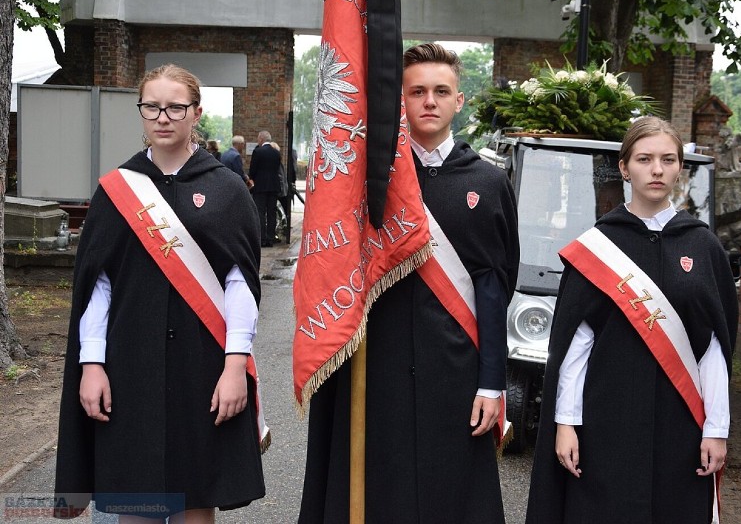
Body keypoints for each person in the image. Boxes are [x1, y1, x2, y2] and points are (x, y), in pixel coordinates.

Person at [298, 43, 519, 523]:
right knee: (378, 494)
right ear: (399, 100)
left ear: (460, 101)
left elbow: (494, 287)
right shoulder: (364, 180)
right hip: (374, 367)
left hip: (456, 371)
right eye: (416, 91)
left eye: (442, 91)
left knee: (452, 498)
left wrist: (491, 382)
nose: (429, 101)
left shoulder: (489, 180)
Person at [54, 64, 266, 522]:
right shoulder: (116, 191)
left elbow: (239, 284)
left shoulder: (227, 190)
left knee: (195, 500)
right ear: (142, 112)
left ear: (196, 113)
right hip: (130, 368)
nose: (163, 116)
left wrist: (234, 367)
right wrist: (92, 365)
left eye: (175, 106)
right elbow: (98, 287)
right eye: (152, 106)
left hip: (203, 367)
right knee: (136, 500)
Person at [526, 116, 738, 524]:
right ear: (625, 168)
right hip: (607, 419)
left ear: (680, 167)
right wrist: (566, 423)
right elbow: (576, 345)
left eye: (668, 159)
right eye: (644, 159)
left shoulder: (703, 245)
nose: (657, 170)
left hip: (682, 421)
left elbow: (714, 346)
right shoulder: (599, 245)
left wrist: (716, 428)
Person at [248, 131, 281, 247]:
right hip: (273, 186)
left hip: (261, 186)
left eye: (258, 139)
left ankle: (261, 239)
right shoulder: (276, 153)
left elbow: (252, 170)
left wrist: (252, 178)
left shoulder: (258, 151)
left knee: (260, 213)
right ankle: (270, 239)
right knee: (272, 213)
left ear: (261, 139)